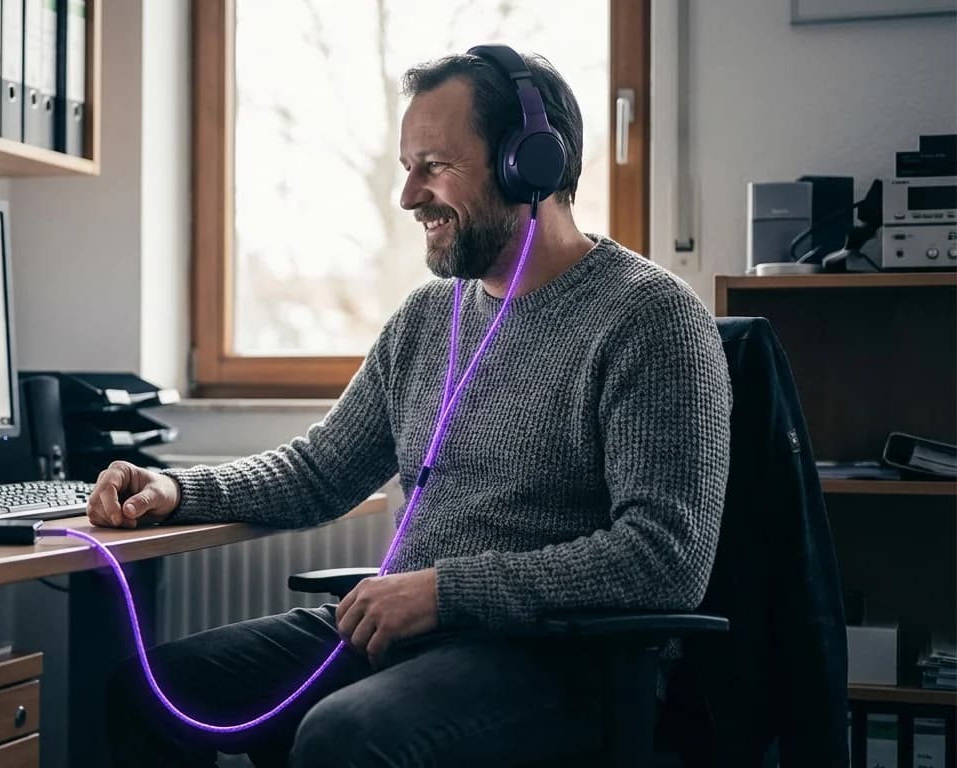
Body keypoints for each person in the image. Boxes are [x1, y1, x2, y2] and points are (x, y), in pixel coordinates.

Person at [89, 48, 732, 767]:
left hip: (563, 661)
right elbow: (320, 470)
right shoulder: (429, 319)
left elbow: (664, 557)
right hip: (411, 637)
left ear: (531, 165)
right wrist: (177, 488)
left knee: (344, 736)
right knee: (151, 690)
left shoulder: (650, 318)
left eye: (434, 165)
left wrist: (444, 593)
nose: (408, 196)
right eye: (407, 167)